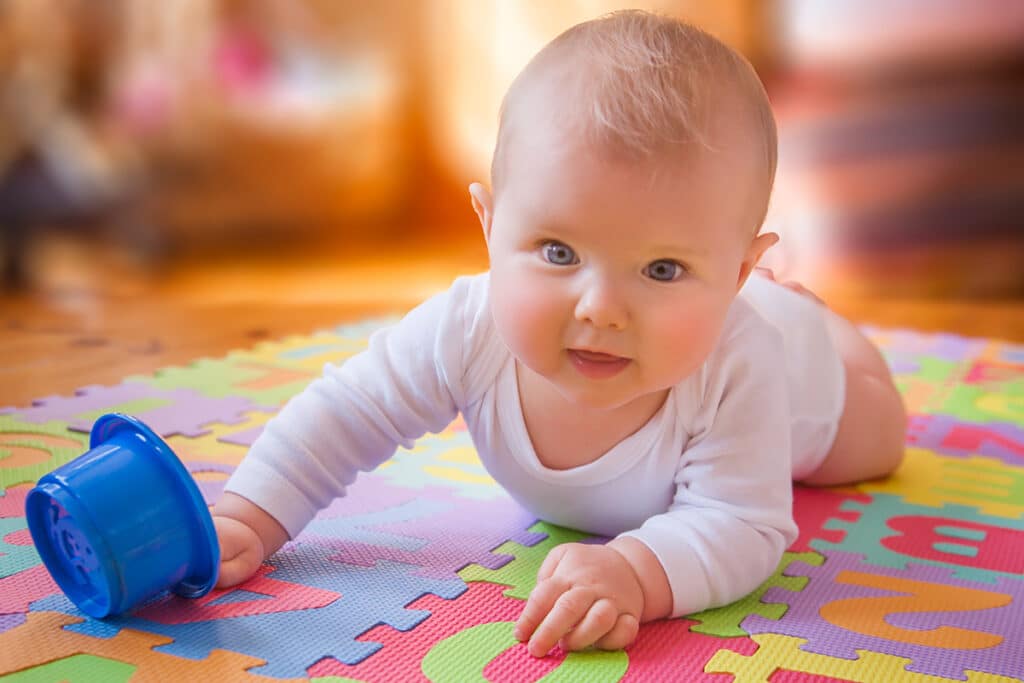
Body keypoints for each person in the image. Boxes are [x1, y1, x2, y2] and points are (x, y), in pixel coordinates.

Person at [212, 10, 907, 657]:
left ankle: (816, 320)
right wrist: (251, 511)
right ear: (490, 228)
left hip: (808, 381)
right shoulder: (466, 326)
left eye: (662, 268)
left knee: (877, 439)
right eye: (559, 253)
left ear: (736, 274)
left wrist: (635, 570)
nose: (601, 308)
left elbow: (742, 523)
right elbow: (348, 410)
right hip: (731, 307)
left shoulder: (740, 361)